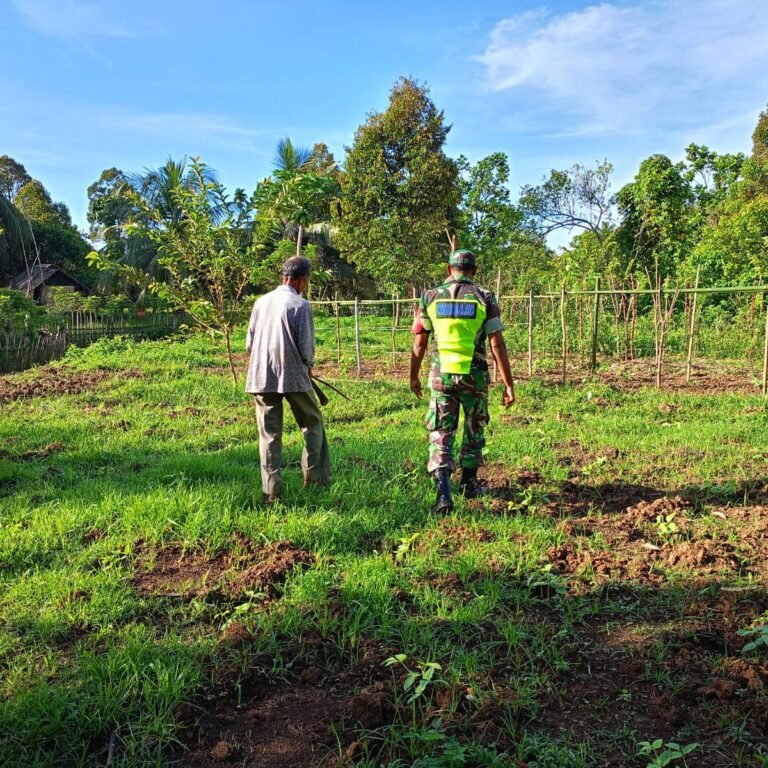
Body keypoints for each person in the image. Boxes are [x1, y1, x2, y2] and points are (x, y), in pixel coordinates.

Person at [409, 249, 515, 513]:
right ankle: (469, 484)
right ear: (474, 271)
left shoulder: (429, 296)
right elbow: (497, 344)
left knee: (441, 432)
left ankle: (443, 493)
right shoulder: (485, 297)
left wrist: (413, 376)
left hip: (441, 377)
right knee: (473, 428)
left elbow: (419, 343)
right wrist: (508, 384)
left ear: (449, 270)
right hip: (474, 378)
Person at [245, 256, 331, 502]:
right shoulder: (300, 305)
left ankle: (271, 491)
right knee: (312, 423)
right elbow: (306, 348)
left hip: (262, 375)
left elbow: (249, 344)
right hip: (293, 375)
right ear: (302, 280)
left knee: (269, 434)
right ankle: (315, 479)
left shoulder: (260, 302)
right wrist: (308, 366)